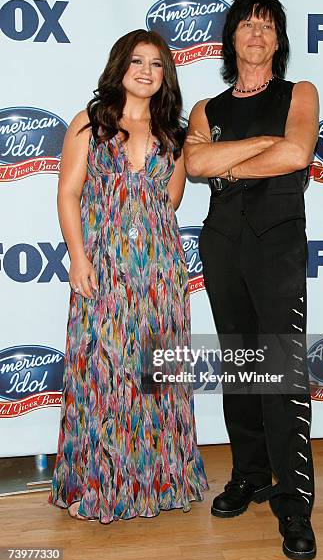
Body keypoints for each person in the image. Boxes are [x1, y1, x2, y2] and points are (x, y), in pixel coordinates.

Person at [48, 29, 208, 524]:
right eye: (136, 61)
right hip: (103, 271)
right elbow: (68, 194)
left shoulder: (173, 136)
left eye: (156, 64)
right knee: (103, 375)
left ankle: (158, 482)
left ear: (166, 76)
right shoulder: (89, 124)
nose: (145, 70)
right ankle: (98, 483)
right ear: (119, 66)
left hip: (160, 274)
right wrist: (79, 258)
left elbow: (172, 201)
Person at [184, 0, 318, 560]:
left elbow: (296, 153)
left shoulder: (300, 93)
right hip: (222, 247)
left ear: (278, 39)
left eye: (267, 24)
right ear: (232, 38)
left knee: (282, 375)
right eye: (247, 23)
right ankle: (250, 474)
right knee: (240, 367)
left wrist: (228, 160)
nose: (257, 32)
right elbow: (193, 163)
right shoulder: (206, 110)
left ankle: (294, 506)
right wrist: (261, 146)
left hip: (277, 246)